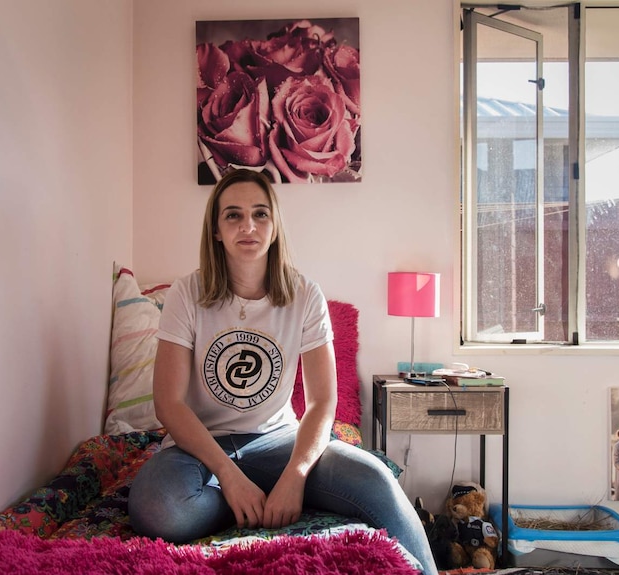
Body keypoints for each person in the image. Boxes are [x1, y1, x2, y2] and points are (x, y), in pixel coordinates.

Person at [127, 169, 438, 574]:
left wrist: (295, 475)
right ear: (216, 230)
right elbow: (168, 403)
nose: (248, 226)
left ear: (274, 226)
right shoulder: (187, 294)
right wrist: (229, 475)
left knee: (378, 480)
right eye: (233, 216)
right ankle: (247, 497)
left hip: (278, 443)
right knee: (157, 507)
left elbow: (323, 401)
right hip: (200, 450)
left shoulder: (304, 295)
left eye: (260, 214)